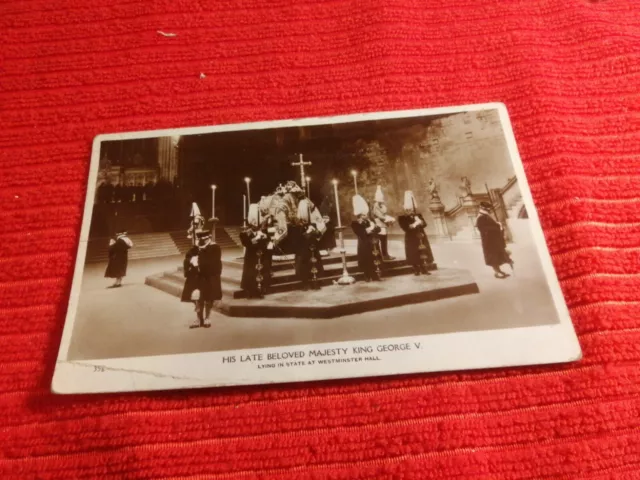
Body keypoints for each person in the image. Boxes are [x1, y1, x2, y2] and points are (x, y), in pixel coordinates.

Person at [189, 230, 222, 328]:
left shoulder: (215, 247)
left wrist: (199, 262)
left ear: (208, 238)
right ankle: (199, 318)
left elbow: (214, 262)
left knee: (209, 298)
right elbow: (188, 257)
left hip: (210, 276)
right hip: (198, 276)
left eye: (204, 239)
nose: (202, 241)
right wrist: (192, 260)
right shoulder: (197, 247)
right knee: (198, 298)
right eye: (200, 239)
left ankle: (207, 317)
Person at [398, 191, 434, 276]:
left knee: (423, 252)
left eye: (412, 210)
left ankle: (424, 269)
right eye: (408, 210)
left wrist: (420, 221)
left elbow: (425, 224)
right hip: (411, 237)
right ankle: (416, 269)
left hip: (420, 236)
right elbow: (406, 228)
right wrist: (415, 224)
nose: (411, 211)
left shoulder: (418, 215)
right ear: (405, 210)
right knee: (413, 253)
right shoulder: (402, 218)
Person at [240, 204, 271, 299]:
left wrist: (265, 238)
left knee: (262, 272)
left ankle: (261, 290)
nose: (256, 225)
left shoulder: (263, 232)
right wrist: (256, 238)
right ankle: (250, 291)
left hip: (261, 256)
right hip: (251, 257)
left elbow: (268, 244)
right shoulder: (245, 233)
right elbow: (247, 244)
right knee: (250, 274)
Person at [476, 201, 514, 279]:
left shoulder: (486, 216)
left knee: (497, 256)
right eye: (487, 209)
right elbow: (483, 229)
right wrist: (497, 227)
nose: (489, 210)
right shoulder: (481, 217)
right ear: (483, 208)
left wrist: (498, 225)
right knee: (493, 257)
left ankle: (498, 271)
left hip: (494, 240)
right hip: (489, 241)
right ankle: (497, 272)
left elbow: (490, 226)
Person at [294, 198, 325, 290]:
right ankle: (305, 283)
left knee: (314, 262)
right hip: (303, 248)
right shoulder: (298, 224)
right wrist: (307, 232)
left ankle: (315, 281)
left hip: (312, 246)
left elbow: (319, 233)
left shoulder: (313, 223)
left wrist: (314, 231)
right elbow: (298, 237)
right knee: (304, 264)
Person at [351, 195, 383, 282]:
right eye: (364, 215)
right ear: (360, 215)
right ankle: (367, 275)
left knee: (374, 258)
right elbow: (361, 233)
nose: (366, 216)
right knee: (366, 259)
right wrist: (371, 229)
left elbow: (379, 229)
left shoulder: (370, 221)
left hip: (373, 242)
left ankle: (375, 275)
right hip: (364, 243)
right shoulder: (355, 223)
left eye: (366, 214)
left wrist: (374, 227)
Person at [372, 185, 396, 261]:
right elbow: (380, 216)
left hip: (383, 225)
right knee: (379, 241)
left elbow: (384, 215)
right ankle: (381, 255)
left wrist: (389, 219)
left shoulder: (382, 205)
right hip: (378, 225)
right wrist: (388, 219)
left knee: (384, 241)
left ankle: (385, 255)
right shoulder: (375, 206)